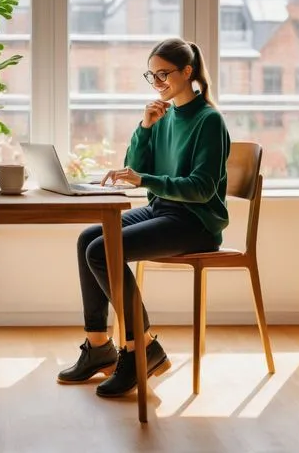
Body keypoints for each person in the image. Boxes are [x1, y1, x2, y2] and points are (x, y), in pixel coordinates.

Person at [57, 37, 231, 398]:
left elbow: (201, 189)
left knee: (101, 251)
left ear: (188, 72)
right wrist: (146, 126)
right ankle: (99, 345)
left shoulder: (209, 120)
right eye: (151, 75)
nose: (157, 83)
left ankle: (141, 347)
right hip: (162, 210)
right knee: (88, 239)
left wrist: (146, 179)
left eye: (163, 74)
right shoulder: (164, 116)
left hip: (194, 223)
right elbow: (136, 168)